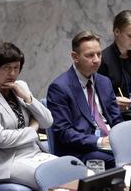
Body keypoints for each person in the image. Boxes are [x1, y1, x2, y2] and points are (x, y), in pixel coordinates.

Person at [0, 41, 56, 190]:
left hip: (33, 153)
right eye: (6, 68)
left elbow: (48, 121)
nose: (12, 74)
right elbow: (1, 139)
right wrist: (33, 128)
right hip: (5, 161)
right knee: (55, 179)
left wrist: (28, 99)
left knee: (80, 173)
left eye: (16, 68)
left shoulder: (20, 86)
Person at [47, 31, 123, 169]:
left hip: (111, 144)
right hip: (81, 151)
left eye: (99, 54)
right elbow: (64, 133)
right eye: (90, 55)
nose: (97, 60)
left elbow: (116, 119)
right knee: (117, 160)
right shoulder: (59, 88)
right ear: (75, 57)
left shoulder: (104, 82)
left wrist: (123, 137)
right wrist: (99, 141)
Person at [98, 10, 131, 120]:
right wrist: (113, 101)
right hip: (115, 117)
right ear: (117, 31)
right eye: (130, 36)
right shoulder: (103, 59)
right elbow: (98, 97)